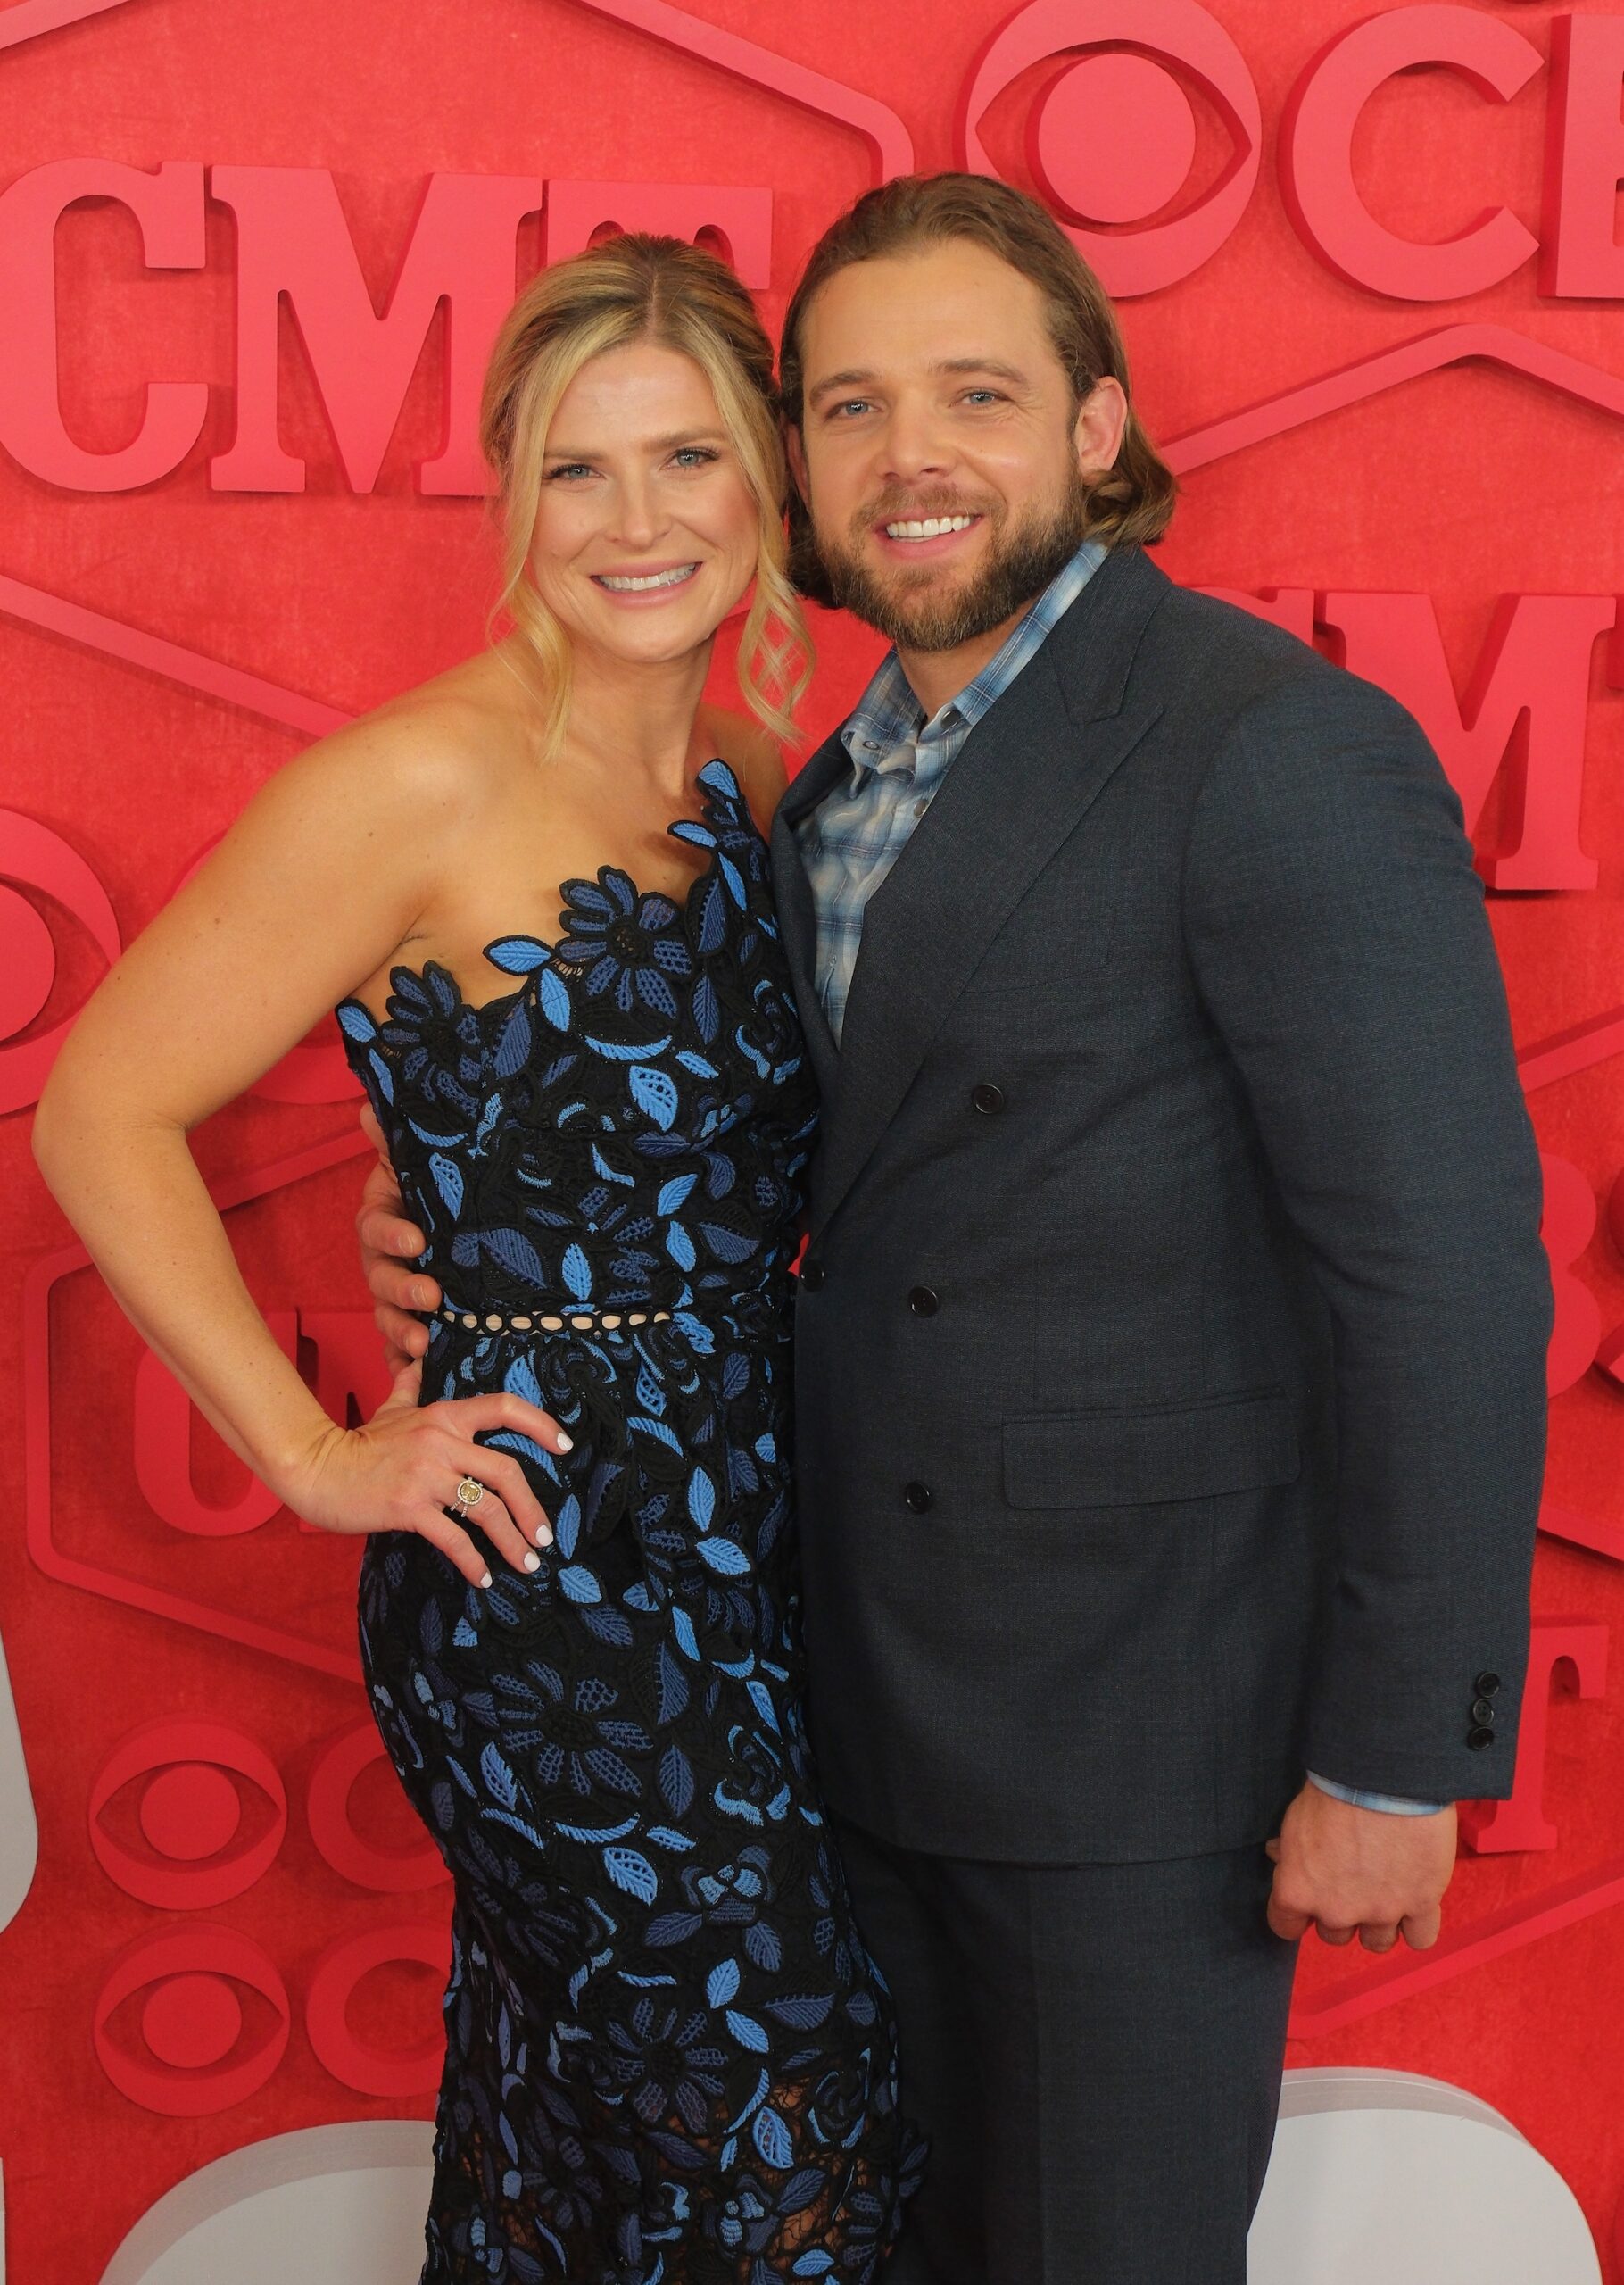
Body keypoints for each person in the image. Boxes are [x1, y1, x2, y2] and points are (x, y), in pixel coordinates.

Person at [356, 172, 1558, 2284]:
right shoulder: (832, 777)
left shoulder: (1267, 750)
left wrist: (1393, 1751)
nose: (910, 456)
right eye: (847, 407)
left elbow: (1440, 1275)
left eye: (977, 393)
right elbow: (803, 1156)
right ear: (796, 461)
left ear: (1096, 425)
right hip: (829, 1708)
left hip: (1132, 1750)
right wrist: (452, 1191)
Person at [33, 234, 923, 2284]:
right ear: (513, 496)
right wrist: (315, 1448)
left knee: (587, 2140)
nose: (635, 521)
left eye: (685, 458)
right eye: (576, 469)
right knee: (775, 2134)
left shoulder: (748, 775)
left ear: (765, 489)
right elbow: (102, 1110)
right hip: (546, 1588)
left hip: (763, 1555)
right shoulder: (416, 776)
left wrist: (439, 1174)